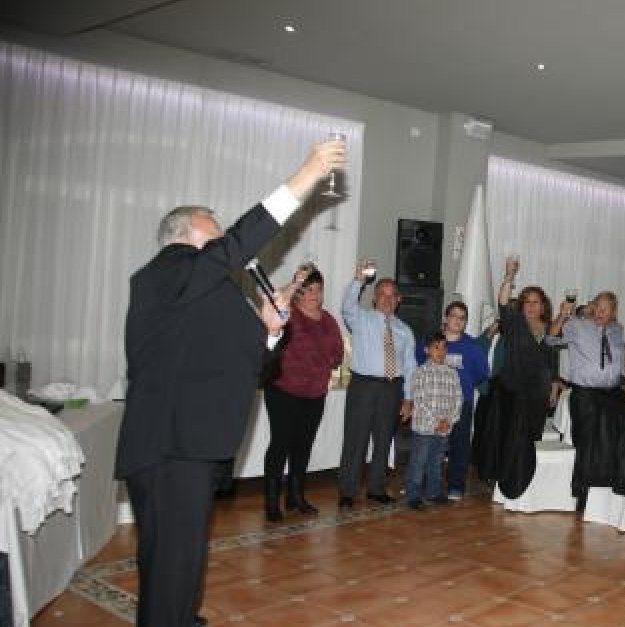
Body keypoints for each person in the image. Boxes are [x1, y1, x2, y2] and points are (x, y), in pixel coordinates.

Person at [116, 139, 345, 627]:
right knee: (170, 565)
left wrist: (269, 328)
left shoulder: (200, 291)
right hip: (169, 446)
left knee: (179, 561)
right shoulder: (167, 271)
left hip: (191, 446)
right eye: (213, 226)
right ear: (185, 234)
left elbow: (248, 366)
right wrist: (307, 175)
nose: (221, 234)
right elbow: (241, 239)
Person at [262, 266, 344, 521]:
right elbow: (273, 306)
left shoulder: (329, 321)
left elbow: (337, 354)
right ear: (298, 292)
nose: (315, 295)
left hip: (315, 393)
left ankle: (295, 497)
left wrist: (327, 360)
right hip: (283, 390)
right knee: (280, 444)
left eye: (318, 290)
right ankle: (272, 502)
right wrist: (292, 284)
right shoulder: (289, 315)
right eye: (308, 290)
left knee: (303, 446)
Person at [547, 290, 625, 507]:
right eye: (597, 307)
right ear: (592, 307)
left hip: (612, 392)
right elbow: (550, 339)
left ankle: (622, 487)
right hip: (585, 393)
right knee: (588, 443)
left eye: (605, 309)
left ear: (613, 312)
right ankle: (582, 492)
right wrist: (562, 316)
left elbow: (621, 360)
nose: (600, 312)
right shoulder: (577, 325)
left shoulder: (617, 330)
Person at [473, 255, 557, 498]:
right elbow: (502, 301)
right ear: (521, 305)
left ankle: (523, 484)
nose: (531, 306)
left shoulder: (549, 329)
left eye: (536, 302)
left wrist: (553, 388)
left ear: (543, 306)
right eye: (527, 301)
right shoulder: (514, 323)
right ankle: (505, 484)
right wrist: (509, 275)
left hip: (536, 396)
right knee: (508, 440)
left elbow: (552, 362)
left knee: (528, 440)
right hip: (511, 393)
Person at [337, 264, 416, 508]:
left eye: (392, 295)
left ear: (399, 300)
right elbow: (347, 307)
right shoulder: (361, 319)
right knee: (356, 440)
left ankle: (376, 488)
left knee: (383, 442)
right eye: (382, 294)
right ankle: (348, 491)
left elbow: (410, 366)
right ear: (374, 298)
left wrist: (408, 398)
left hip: (392, 389)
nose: (387, 299)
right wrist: (358, 280)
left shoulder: (405, 331)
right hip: (363, 386)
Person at [416, 301, 488, 501]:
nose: (457, 320)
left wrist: (465, 384)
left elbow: (482, 373)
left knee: (460, 445)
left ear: (465, 322)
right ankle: (425, 484)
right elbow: (419, 362)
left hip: (461, 403)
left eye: (462, 318)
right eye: (454, 316)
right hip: (432, 403)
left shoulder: (473, 347)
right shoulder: (430, 342)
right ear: (445, 318)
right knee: (429, 444)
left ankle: (456, 485)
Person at [404, 332, 462, 509]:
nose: (440, 351)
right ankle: (413, 495)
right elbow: (420, 401)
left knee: (436, 462)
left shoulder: (452, 373)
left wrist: (449, 420)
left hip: (444, 428)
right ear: (426, 350)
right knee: (418, 462)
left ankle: (434, 492)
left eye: (444, 347)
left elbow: (458, 399)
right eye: (436, 347)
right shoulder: (420, 372)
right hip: (424, 428)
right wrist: (437, 422)